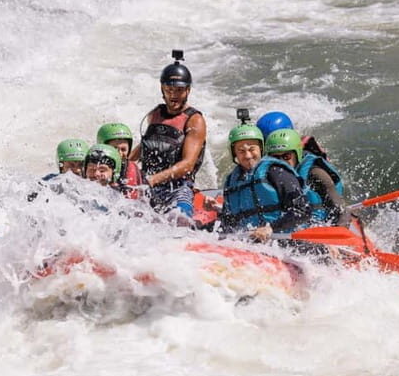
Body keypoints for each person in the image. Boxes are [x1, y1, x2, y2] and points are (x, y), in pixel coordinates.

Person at [129, 50, 207, 217]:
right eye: (169, 89)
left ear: (188, 91)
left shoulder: (195, 120)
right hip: (148, 187)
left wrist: (152, 180)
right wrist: (123, 165)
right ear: (162, 89)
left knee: (178, 219)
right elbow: (145, 145)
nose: (173, 95)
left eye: (179, 90)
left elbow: (187, 164)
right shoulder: (155, 114)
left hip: (179, 187)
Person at [210, 119, 311, 242]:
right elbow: (228, 221)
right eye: (241, 151)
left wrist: (271, 228)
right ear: (234, 153)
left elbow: (302, 211)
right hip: (251, 244)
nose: (247, 155)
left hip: (285, 241)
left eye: (252, 149)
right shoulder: (231, 180)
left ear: (261, 149)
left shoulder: (275, 172)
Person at [264, 128, 346, 226]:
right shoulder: (268, 176)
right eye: (275, 158)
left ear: (297, 154)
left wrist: (338, 233)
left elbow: (342, 211)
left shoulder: (315, 173)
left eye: (286, 156)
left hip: (320, 226)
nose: (281, 162)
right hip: (291, 227)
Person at [96, 123, 142, 197]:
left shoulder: (132, 168)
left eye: (123, 149)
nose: (119, 153)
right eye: (114, 148)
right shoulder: (93, 167)